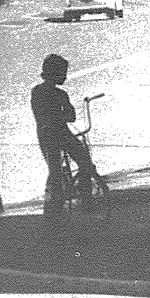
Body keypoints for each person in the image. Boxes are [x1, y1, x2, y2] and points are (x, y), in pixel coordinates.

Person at [31, 53, 98, 215]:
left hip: (47, 135)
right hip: (60, 134)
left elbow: (40, 116)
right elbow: (71, 116)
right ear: (55, 73)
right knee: (85, 164)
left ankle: (54, 207)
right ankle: (86, 201)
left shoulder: (37, 92)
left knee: (55, 172)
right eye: (63, 73)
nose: (65, 77)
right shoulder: (61, 94)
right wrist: (62, 115)